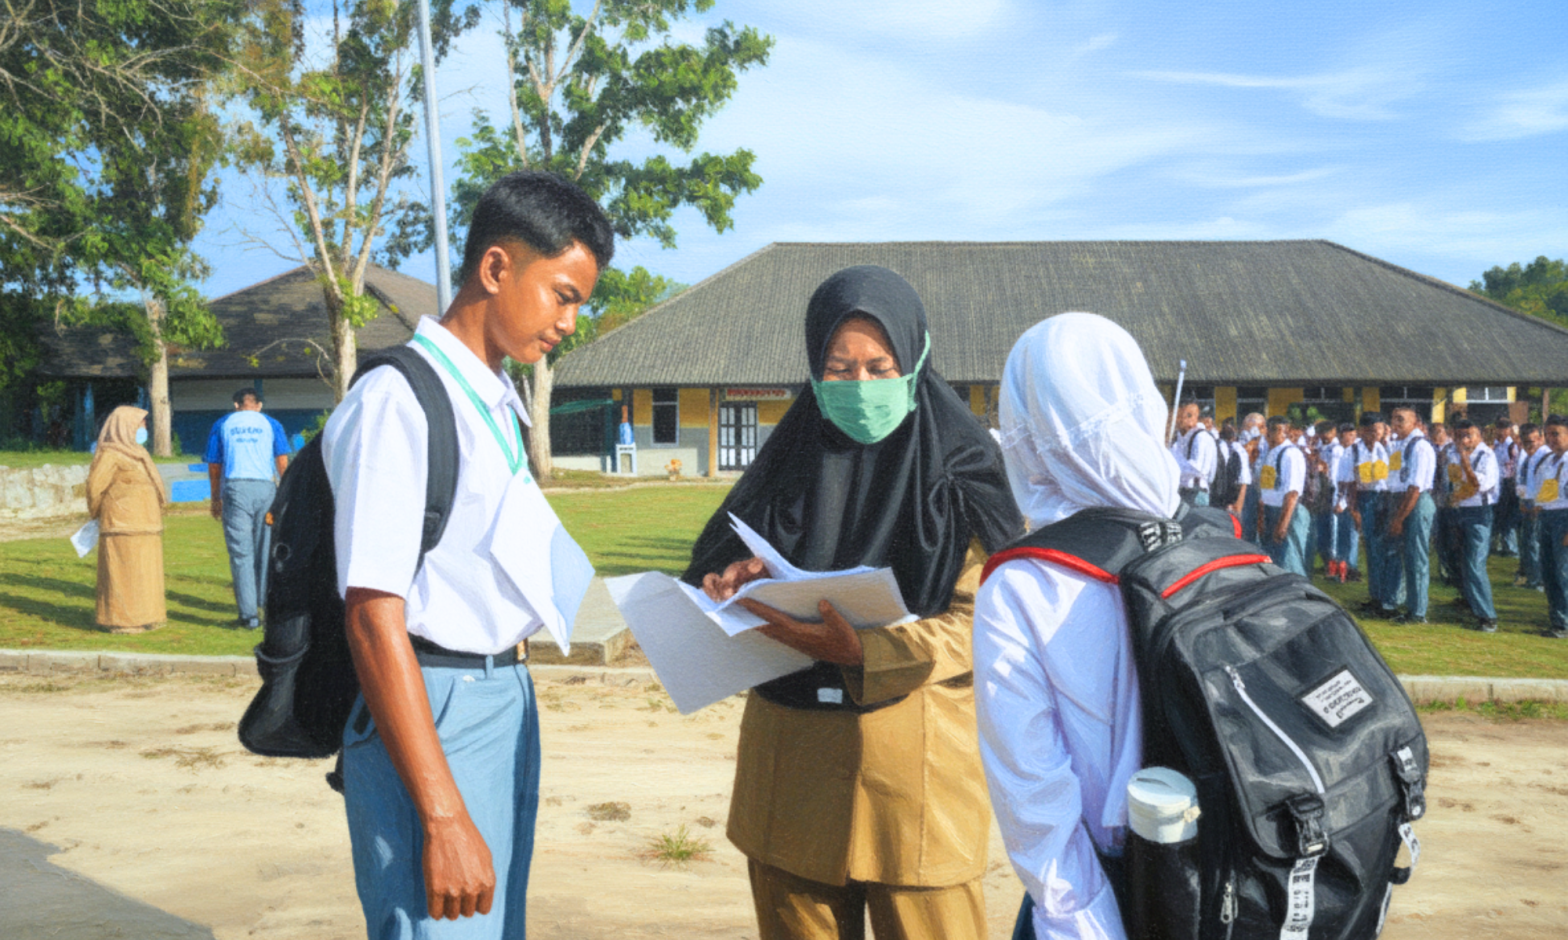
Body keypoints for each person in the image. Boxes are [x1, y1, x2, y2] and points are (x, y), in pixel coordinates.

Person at [684, 265, 1022, 940]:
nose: (859, 387)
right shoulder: (785, 469)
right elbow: (713, 572)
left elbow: (982, 623)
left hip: (914, 784)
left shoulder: (963, 476)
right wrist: (731, 582)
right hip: (792, 779)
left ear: (915, 360)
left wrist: (863, 651)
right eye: (838, 369)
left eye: (878, 366)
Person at [323, 170, 612, 937]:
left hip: (500, 696)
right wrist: (443, 815)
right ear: (495, 268)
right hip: (432, 701)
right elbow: (373, 617)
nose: (570, 322)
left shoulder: (491, 401)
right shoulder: (398, 403)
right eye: (563, 294)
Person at [972, 312, 1182, 940]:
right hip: (1232, 859)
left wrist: (1081, 925)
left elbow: (1033, 792)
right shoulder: (1211, 537)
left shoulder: (1025, 584)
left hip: (1102, 880)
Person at [205, 388, 291, 628]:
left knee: (241, 553)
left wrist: (215, 498)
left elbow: (214, 465)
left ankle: (249, 615)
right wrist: (284, 494)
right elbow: (282, 461)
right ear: (259, 406)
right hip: (265, 488)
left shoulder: (223, 423)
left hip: (236, 488)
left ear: (236, 405)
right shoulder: (271, 423)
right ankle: (267, 606)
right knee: (266, 550)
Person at [86, 406, 169, 634]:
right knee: (124, 575)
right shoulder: (110, 454)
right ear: (125, 426)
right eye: (141, 424)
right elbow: (95, 488)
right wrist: (98, 515)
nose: (144, 428)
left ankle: (147, 616)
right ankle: (123, 621)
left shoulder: (140, 453)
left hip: (147, 524)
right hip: (122, 525)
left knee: (145, 574)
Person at [1447, 419, 1501, 632]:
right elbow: (1453, 480)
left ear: (1479, 436)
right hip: (1459, 509)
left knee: (1475, 563)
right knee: (1458, 559)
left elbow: (1479, 485)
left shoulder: (1485, 456)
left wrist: (1464, 461)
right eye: (1460, 436)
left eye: (1469, 435)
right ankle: (1470, 601)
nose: (1464, 440)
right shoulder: (1453, 453)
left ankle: (1488, 616)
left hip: (1479, 513)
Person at [1386, 406, 1437, 625]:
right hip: (1401, 501)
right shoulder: (1402, 445)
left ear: (1415, 423)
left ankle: (1418, 612)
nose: (1396, 425)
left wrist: (1399, 518)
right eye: (1394, 420)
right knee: (1406, 557)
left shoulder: (1420, 447)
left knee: (1417, 558)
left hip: (1414, 503)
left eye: (1401, 420)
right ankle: (1408, 605)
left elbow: (1415, 487)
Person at [1257, 415, 1310, 575]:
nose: (1279, 434)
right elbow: (1265, 489)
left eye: (1282, 431)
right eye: (1273, 430)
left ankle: (1298, 596)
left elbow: (1292, 493)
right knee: (1274, 562)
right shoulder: (1270, 453)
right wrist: (1262, 517)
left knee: (1289, 561)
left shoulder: (1290, 454)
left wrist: (1283, 524)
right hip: (1270, 511)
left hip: (1286, 513)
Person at [1532, 415, 1568, 639]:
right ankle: (1557, 620)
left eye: (1556, 433)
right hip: (1547, 517)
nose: (1551, 439)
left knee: (1564, 572)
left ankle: (1565, 622)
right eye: (1548, 434)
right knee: (1550, 572)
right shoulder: (1547, 461)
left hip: (1564, 518)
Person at [1516, 422, 1547, 590]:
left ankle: (1537, 579)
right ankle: (1532, 577)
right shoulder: (1529, 456)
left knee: (1534, 542)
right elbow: (1524, 480)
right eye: (1525, 442)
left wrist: (1537, 505)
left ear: (1541, 439)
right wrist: (1522, 500)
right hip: (1528, 502)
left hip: (1539, 505)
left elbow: (1548, 484)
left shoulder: (1545, 456)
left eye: (1532, 441)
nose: (1528, 445)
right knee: (1527, 542)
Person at [1170, 400, 1216, 507]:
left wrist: (1172, 465)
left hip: (1195, 493)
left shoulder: (1200, 437)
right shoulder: (1181, 437)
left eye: (1180, 415)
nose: (1177, 419)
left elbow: (1196, 468)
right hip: (1184, 491)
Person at [1492, 419, 1521, 557]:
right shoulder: (1496, 445)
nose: (1501, 431)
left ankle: (1510, 545)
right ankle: (1500, 544)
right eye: (1499, 428)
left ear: (1509, 430)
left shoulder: (1511, 446)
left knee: (1507, 514)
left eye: (1504, 428)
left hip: (1508, 482)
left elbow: (1515, 465)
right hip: (1497, 482)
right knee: (1498, 513)